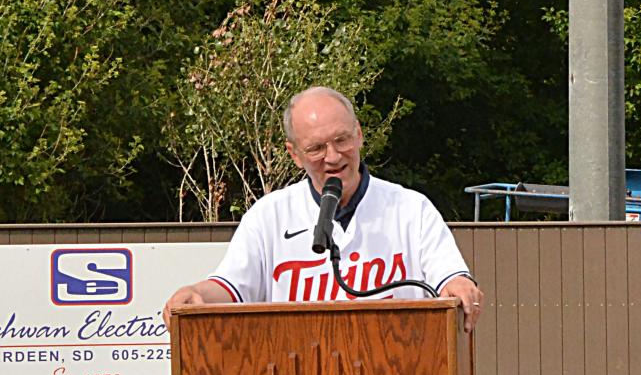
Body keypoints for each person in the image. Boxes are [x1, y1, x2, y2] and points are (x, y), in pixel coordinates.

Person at [162, 86, 484, 329]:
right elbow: (230, 288)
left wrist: (459, 286)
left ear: (359, 135)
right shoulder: (268, 216)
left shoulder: (412, 210)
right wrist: (196, 294)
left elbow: (450, 279)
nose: (333, 157)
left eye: (342, 140)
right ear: (294, 154)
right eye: (316, 148)